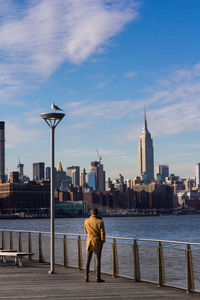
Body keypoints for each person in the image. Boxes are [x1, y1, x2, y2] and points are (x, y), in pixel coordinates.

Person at [84, 207, 105, 282]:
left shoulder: (86, 221)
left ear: (91, 213)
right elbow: (102, 233)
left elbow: (86, 231)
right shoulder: (100, 221)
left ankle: (86, 277)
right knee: (97, 260)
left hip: (89, 242)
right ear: (97, 213)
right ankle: (97, 277)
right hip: (97, 242)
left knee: (87, 260)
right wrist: (102, 241)